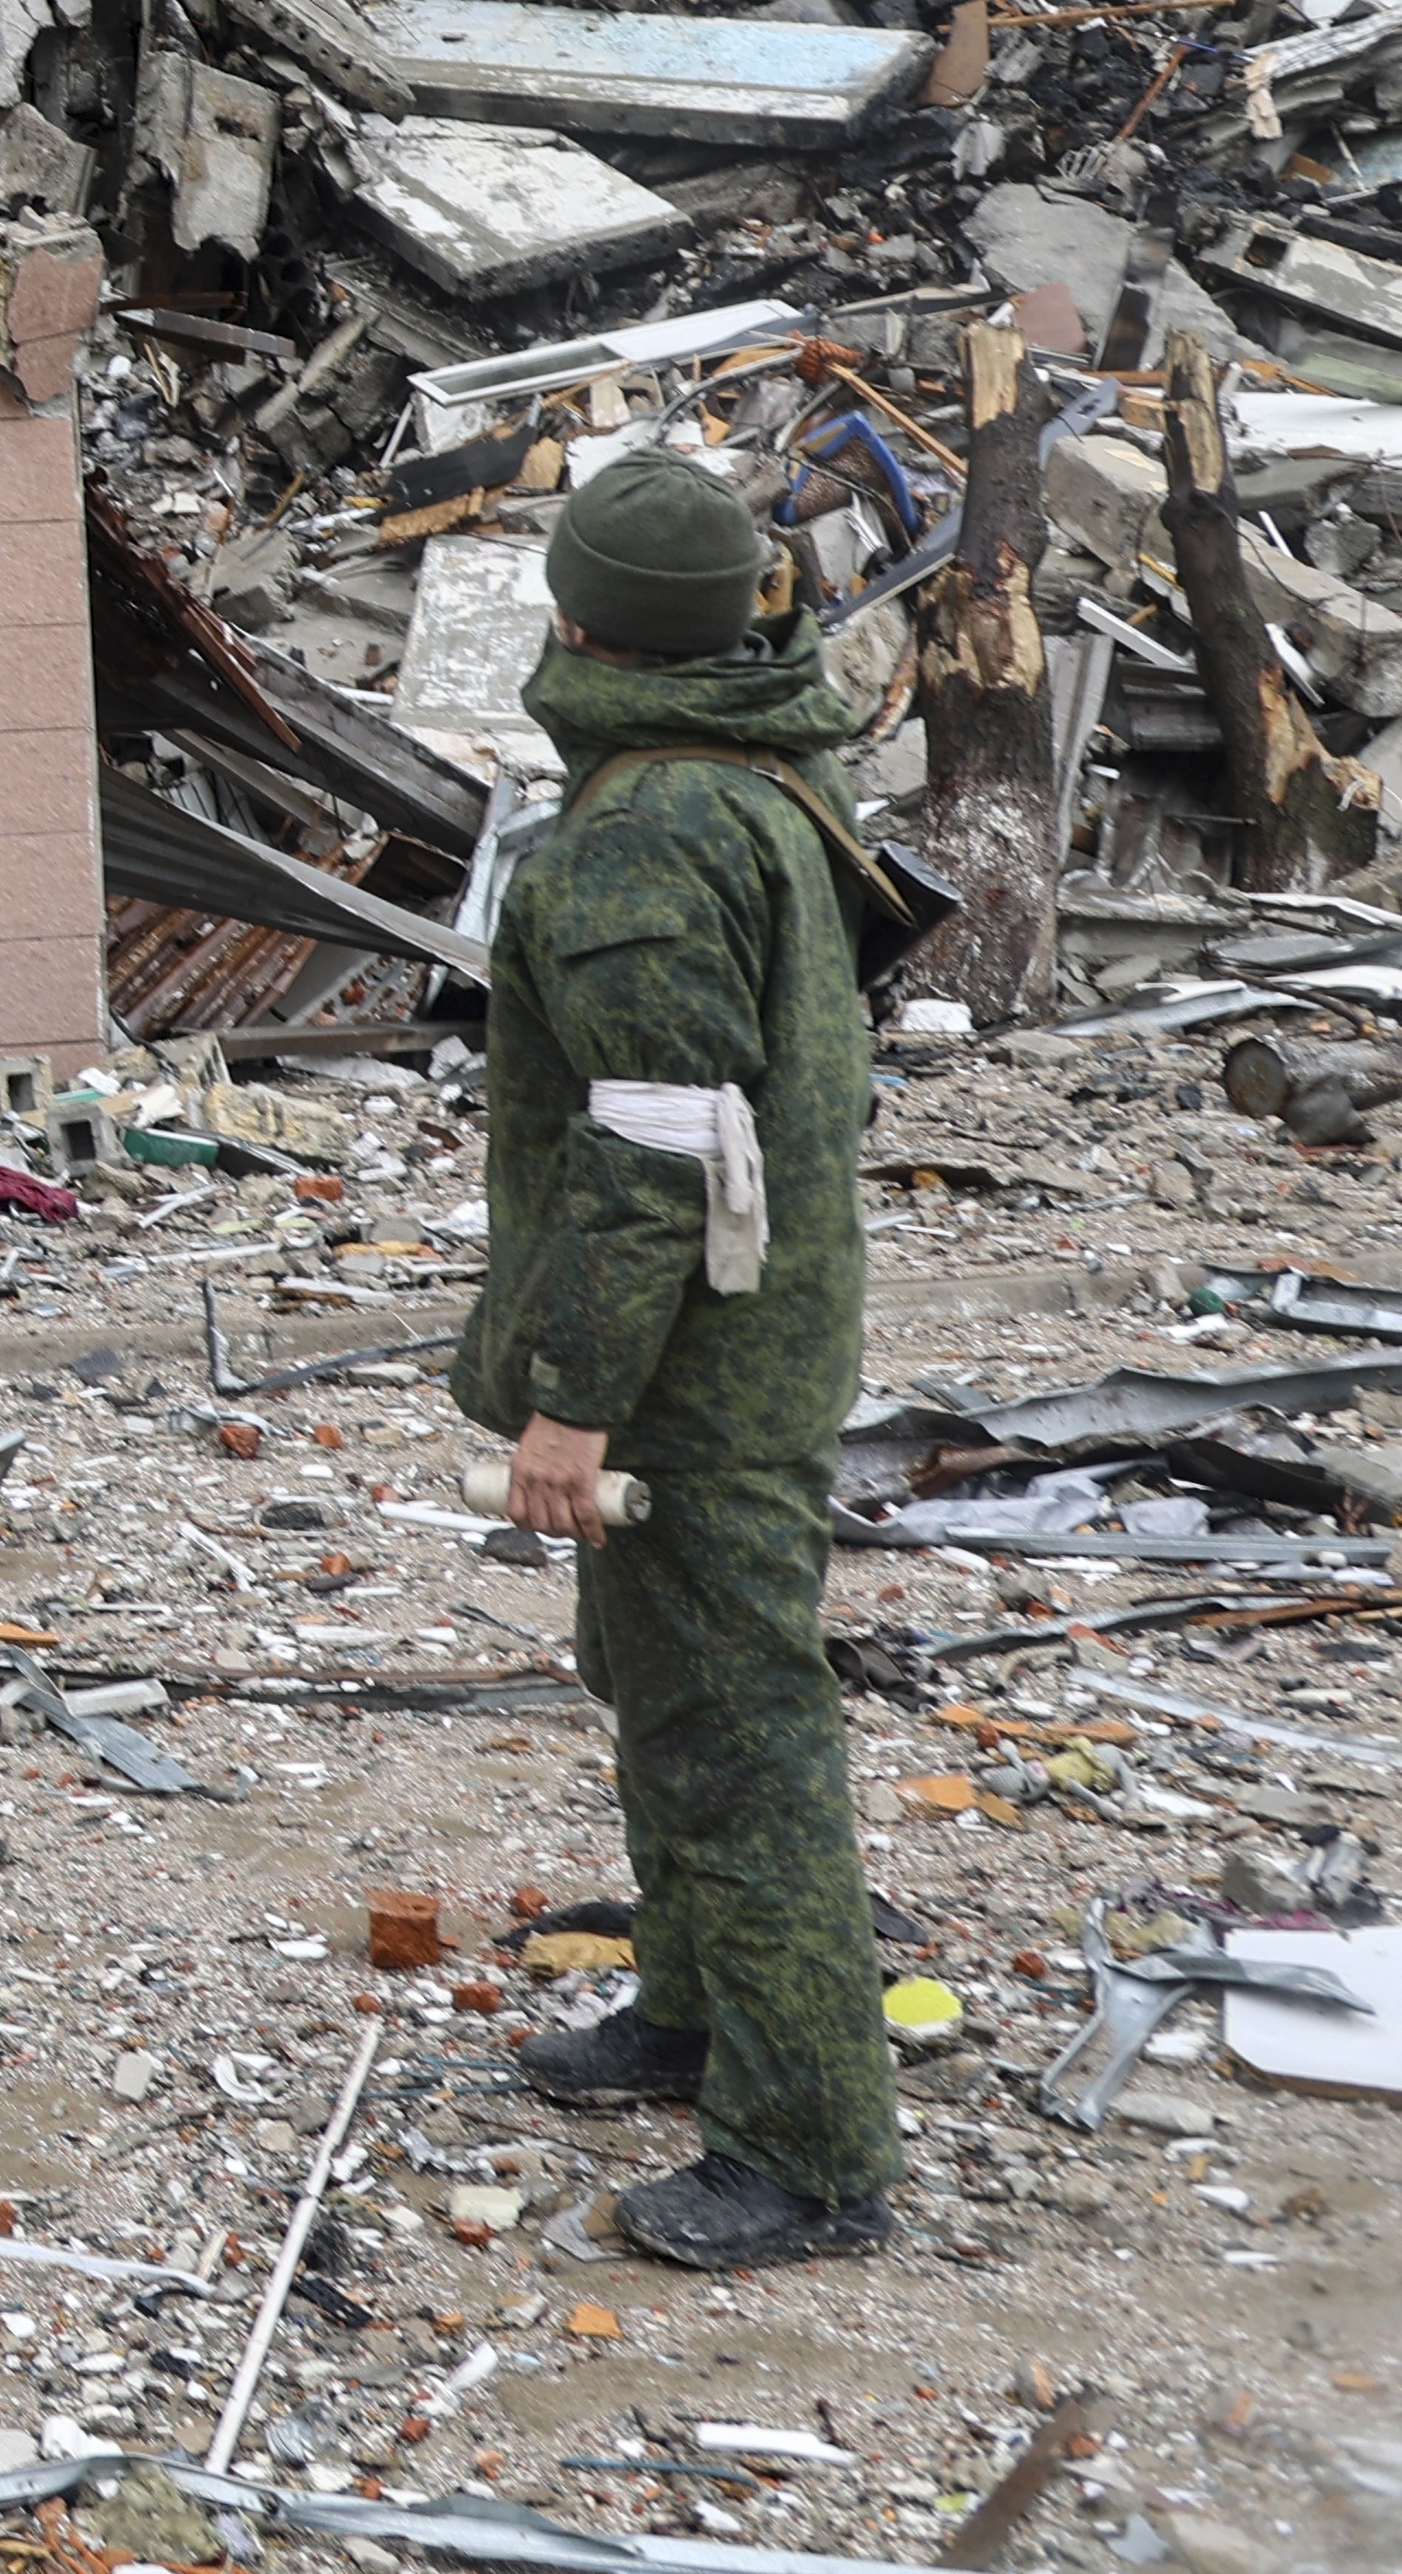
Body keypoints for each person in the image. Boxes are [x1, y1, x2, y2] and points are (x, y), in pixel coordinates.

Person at [452, 446, 897, 2270]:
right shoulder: (769, 773)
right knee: (664, 1688)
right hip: (758, 1335)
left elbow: (648, 1155)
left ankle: (806, 2147)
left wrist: (570, 1404)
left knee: (737, 1735)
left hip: (692, 1376)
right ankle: (692, 2011)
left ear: (571, 621)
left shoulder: (639, 835)